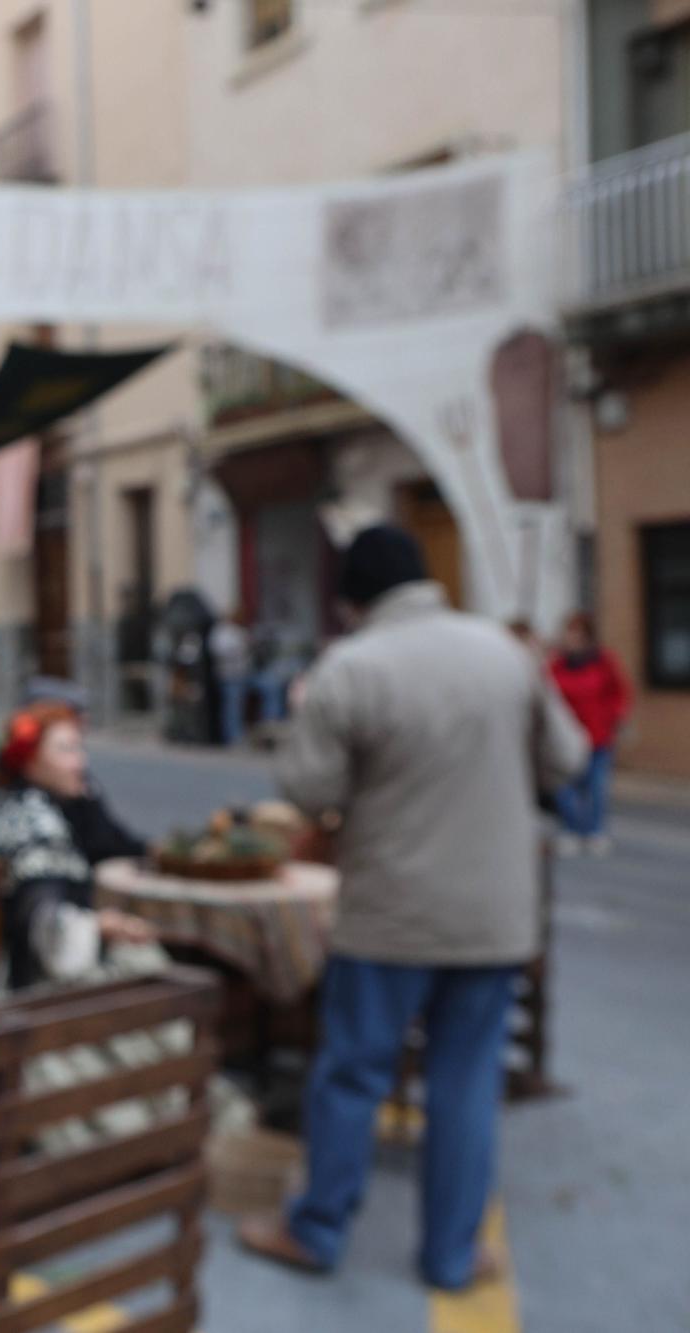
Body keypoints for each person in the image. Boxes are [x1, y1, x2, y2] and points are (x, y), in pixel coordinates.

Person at [239, 525, 587, 1291]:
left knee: (354, 1073)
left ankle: (318, 1228)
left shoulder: (350, 666)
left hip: (390, 913)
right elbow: (565, 757)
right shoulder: (507, 652)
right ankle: (452, 1254)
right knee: (465, 1079)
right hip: (494, 914)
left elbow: (309, 790)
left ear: (353, 600)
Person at [0, 702, 156, 990]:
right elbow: (46, 927)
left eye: (80, 749)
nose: (79, 762)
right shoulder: (35, 826)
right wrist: (101, 925)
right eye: (66, 750)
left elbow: (114, 843)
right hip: (39, 986)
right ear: (29, 761)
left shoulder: (13, 804)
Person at [547, 611, 629, 856]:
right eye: (569, 634)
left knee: (596, 788)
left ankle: (595, 831)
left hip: (597, 736)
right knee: (565, 788)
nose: (572, 640)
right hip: (564, 739)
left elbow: (620, 692)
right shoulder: (556, 665)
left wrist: (614, 717)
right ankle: (572, 829)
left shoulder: (603, 661)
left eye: (577, 635)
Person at [210, 611, 253, 746]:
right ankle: (233, 737)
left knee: (237, 707)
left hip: (241, 673)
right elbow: (220, 650)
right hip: (229, 675)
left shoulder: (238, 631)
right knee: (231, 708)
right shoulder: (222, 632)